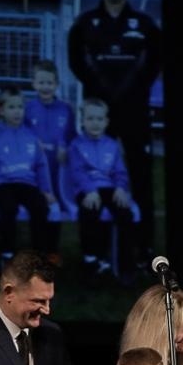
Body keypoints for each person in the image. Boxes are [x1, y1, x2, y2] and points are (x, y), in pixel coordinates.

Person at [66, 0, 163, 253]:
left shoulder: (145, 25)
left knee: (139, 176)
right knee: (98, 175)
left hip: (134, 112)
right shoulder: (85, 23)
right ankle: (100, 250)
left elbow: (155, 63)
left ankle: (143, 247)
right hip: (99, 116)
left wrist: (130, 93)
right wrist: (101, 92)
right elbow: (76, 63)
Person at [0, 88, 57, 261]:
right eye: (12, 107)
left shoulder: (31, 136)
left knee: (40, 207)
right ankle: (7, 253)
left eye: (20, 107)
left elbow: (41, 165)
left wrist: (45, 190)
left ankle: (39, 255)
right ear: (2, 111)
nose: (16, 111)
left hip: (28, 184)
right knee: (8, 208)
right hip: (5, 184)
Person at [65, 97, 135, 279]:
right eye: (90, 119)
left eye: (99, 119)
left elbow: (120, 171)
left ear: (106, 122)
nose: (95, 123)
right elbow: (77, 172)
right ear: (83, 121)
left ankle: (124, 265)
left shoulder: (112, 145)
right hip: (87, 191)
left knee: (125, 214)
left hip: (109, 189)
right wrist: (89, 190)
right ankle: (91, 261)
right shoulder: (76, 145)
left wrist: (120, 188)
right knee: (89, 213)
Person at [25, 59, 76, 168]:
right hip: (34, 165)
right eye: (41, 83)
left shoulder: (66, 109)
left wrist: (66, 148)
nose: (45, 87)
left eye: (49, 83)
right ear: (33, 84)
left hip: (59, 165)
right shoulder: (27, 108)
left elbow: (72, 137)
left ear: (57, 84)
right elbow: (22, 135)